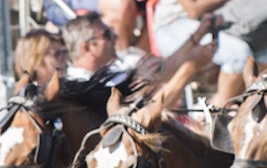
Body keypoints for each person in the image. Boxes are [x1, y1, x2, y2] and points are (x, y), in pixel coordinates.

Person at [153, 0, 262, 106]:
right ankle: (217, 115)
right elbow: (192, 8)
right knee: (239, 54)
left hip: (217, 20)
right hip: (175, 25)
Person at [63, 11, 216, 108]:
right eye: (107, 35)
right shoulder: (81, 88)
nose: (115, 37)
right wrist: (189, 69)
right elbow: (148, 110)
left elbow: (163, 69)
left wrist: (198, 34)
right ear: (87, 47)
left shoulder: (114, 68)